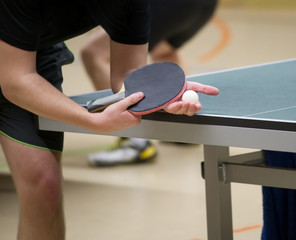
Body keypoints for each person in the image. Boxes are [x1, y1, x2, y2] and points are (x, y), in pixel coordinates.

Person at [0, 1, 219, 239]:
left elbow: (127, 76)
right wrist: (90, 120)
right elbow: (15, 81)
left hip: (32, 55)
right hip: (17, 67)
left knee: (45, 186)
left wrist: (161, 95)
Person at [81, 0, 218, 166]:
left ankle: (135, 142)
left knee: (94, 52)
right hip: (202, 5)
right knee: (164, 51)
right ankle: (182, 130)